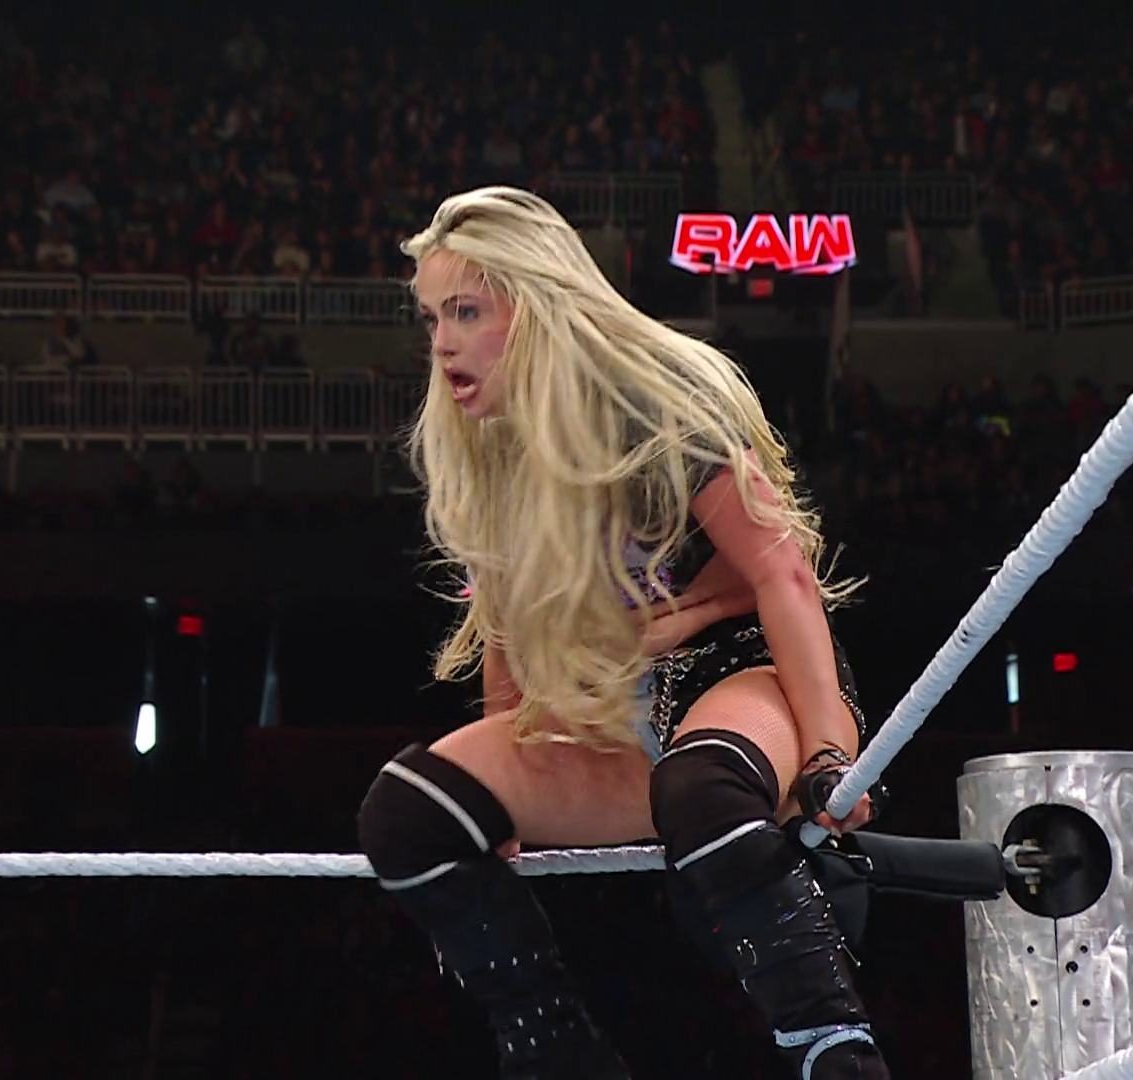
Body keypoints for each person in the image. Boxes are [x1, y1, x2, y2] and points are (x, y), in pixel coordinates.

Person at [356, 187, 888, 1079]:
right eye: (432, 317)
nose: (442, 343)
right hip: (617, 704)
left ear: (534, 308)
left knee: (702, 787)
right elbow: (507, 630)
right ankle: (558, 1058)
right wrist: (505, 791)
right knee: (409, 810)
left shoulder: (658, 400)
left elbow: (783, 574)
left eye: (466, 312)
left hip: (746, 676)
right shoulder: (490, 447)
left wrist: (832, 751)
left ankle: (836, 1055)